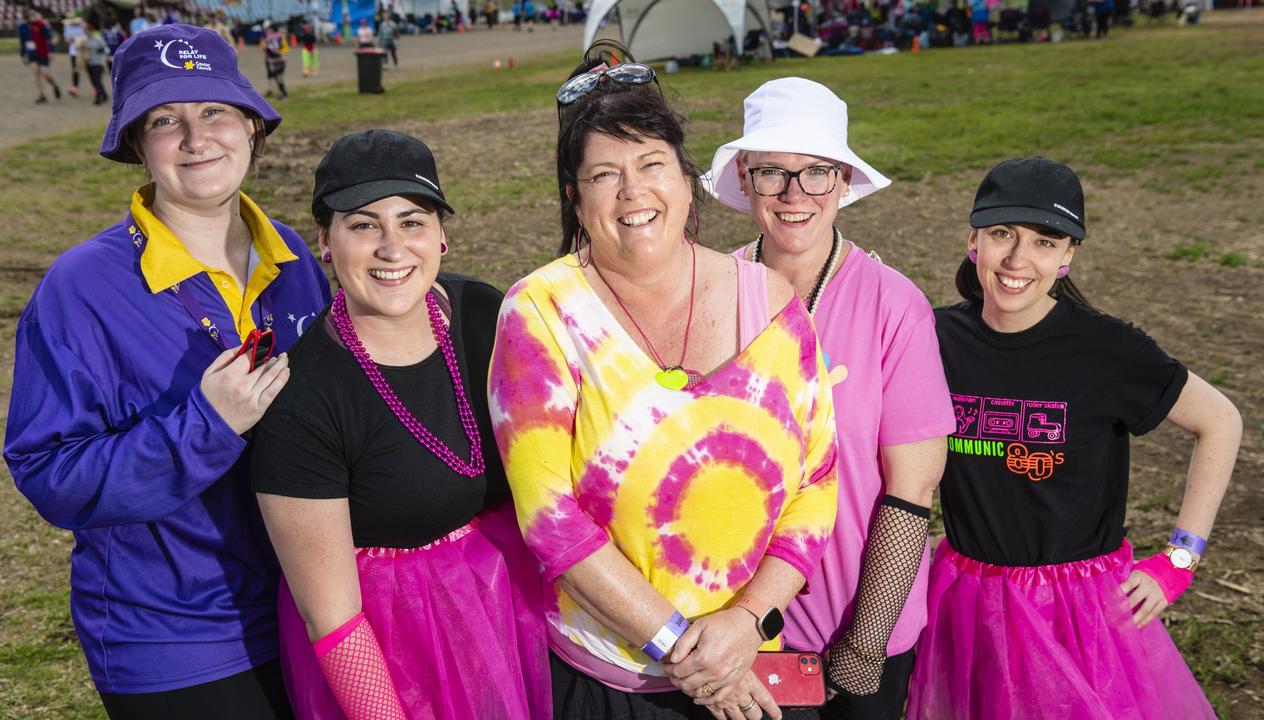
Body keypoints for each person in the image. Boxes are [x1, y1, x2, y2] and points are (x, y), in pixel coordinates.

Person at [489, 44, 838, 720]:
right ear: (574, 196)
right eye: (603, 175)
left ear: (686, 179)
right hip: (612, 685)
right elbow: (549, 520)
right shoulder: (540, 312)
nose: (632, 192)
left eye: (651, 164)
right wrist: (690, 653)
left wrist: (745, 625)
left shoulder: (769, 303)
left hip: (754, 662)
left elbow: (817, 483)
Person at [4, 23, 331, 719]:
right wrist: (205, 427)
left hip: (312, 604)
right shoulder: (81, 286)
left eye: (213, 110)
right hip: (175, 639)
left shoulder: (298, 259)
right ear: (134, 142)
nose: (195, 137)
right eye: (164, 119)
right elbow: (49, 475)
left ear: (250, 123)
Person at [906, 157, 1240, 720]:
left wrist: (1181, 558)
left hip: (1076, 608)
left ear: (1067, 257)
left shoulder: (1108, 351)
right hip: (970, 597)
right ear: (973, 241)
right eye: (1002, 234)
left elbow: (1221, 421)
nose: (1017, 259)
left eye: (1044, 241)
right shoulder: (935, 338)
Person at [250, 129, 551, 719]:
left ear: (441, 236)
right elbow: (331, 615)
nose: (392, 248)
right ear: (326, 244)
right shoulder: (303, 398)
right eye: (363, 225)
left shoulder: (484, 314)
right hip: (396, 655)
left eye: (412, 222)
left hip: (511, 610)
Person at [701, 77, 954, 720]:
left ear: (843, 180)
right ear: (745, 179)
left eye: (816, 172)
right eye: (771, 174)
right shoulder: (707, 293)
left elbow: (911, 490)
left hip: (854, 629)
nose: (794, 195)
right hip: (732, 629)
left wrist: (865, 648)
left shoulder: (895, 306)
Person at [18, 11, 61, 104]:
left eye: (30, 17)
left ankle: (54, 85)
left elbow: (48, 38)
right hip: (31, 54)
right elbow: (22, 43)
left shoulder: (40, 25)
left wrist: (50, 51)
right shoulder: (22, 28)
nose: (29, 19)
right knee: (36, 73)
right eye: (26, 18)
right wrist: (22, 55)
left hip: (43, 52)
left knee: (45, 73)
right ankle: (42, 95)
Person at [76, 15, 110, 105]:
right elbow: (78, 48)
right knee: (93, 81)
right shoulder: (84, 40)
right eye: (85, 31)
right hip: (89, 62)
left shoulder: (98, 39)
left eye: (87, 30)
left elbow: (105, 49)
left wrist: (94, 49)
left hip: (98, 62)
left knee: (97, 79)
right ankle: (104, 94)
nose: (86, 32)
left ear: (91, 30)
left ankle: (98, 97)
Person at [261, 21, 288, 99]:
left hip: (279, 59)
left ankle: (283, 93)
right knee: (276, 76)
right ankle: (281, 92)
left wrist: (279, 52)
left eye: (269, 29)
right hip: (271, 60)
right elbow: (264, 47)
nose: (268, 31)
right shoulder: (267, 38)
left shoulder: (279, 36)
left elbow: (286, 48)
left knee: (279, 76)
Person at [63, 13, 85, 98]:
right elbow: (67, 39)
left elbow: (86, 35)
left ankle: (96, 88)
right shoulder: (67, 26)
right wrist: (73, 39)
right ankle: (75, 87)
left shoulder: (82, 25)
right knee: (75, 69)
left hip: (83, 50)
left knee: (87, 70)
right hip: (73, 51)